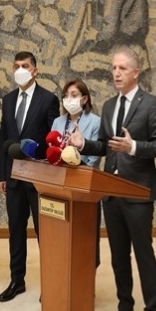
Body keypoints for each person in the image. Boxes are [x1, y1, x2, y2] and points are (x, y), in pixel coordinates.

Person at [68, 47, 156, 311]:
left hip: (138, 193)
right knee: (118, 256)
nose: (116, 73)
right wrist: (83, 144)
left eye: (122, 68)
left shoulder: (151, 104)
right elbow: (104, 145)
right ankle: (125, 308)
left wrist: (133, 146)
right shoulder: (109, 106)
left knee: (144, 255)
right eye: (113, 68)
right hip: (110, 194)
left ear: (136, 72)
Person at [0, 51, 60, 302]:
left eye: (24, 66)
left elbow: (53, 138)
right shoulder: (8, 100)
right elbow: (3, 138)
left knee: (44, 232)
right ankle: (17, 281)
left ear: (35, 71)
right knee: (15, 230)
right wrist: (2, 175)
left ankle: (51, 282)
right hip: (14, 177)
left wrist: (35, 152)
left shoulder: (48, 99)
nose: (20, 70)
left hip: (39, 179)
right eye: (16, 66)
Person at [52, 79, 102, 267]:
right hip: (60, 185)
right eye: (66, 96)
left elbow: (95, 157)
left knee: (85, 235)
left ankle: (87, 274)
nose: (69, 99)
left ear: (84, 98)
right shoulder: (57, 122)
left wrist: (76, 153)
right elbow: (51, 150)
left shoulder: (95, 121)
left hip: (85, 186)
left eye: (74, 95)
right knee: (62, 234)